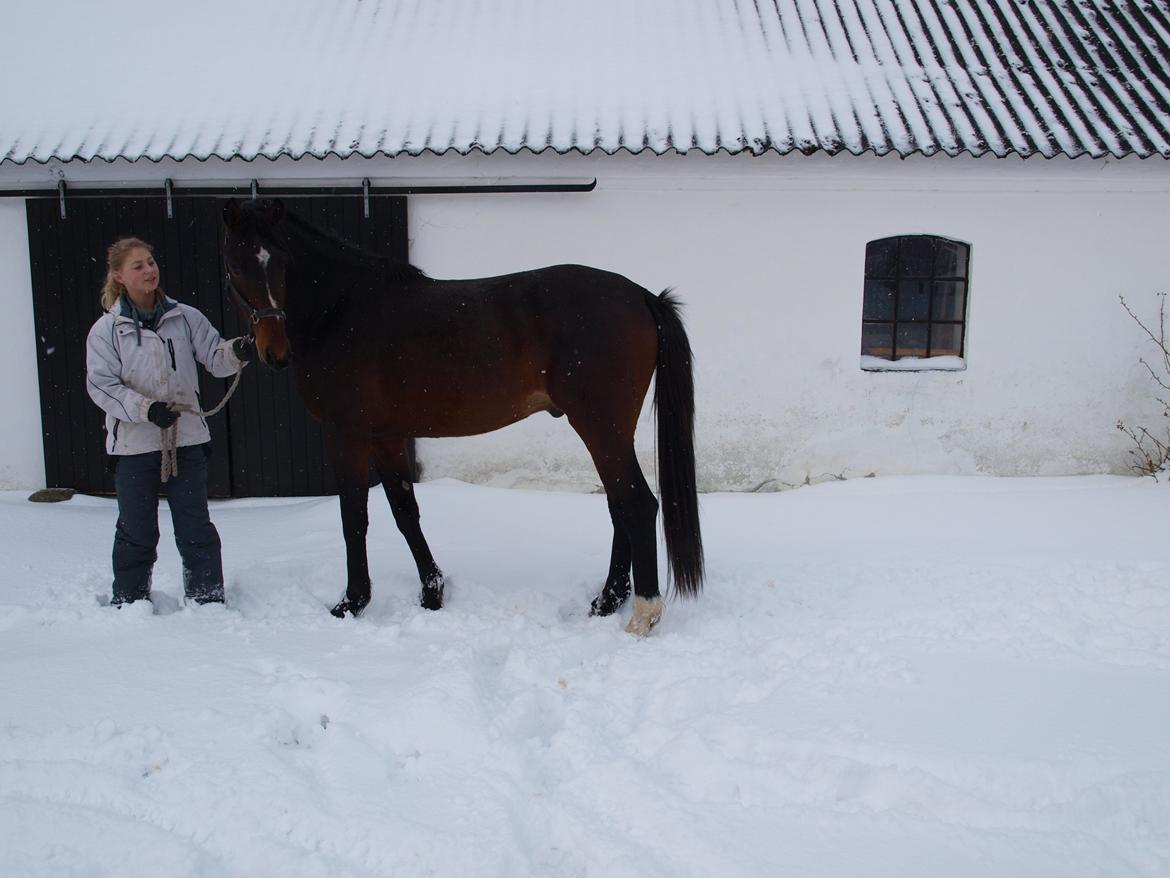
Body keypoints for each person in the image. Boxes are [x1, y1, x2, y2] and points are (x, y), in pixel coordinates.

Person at [85, 237, 255, 608]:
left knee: (195, 526)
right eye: (138, 266)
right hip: (133, 446)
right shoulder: (106, 331)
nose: (149, 270)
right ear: (118, 276)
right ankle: (130, 602)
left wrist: (238, 351)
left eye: (151, 262)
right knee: (136, 531)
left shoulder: (185, 316)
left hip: (187, 439)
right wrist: (146, 409)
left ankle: (207, 600)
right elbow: (102, 385)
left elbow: (215, 356)